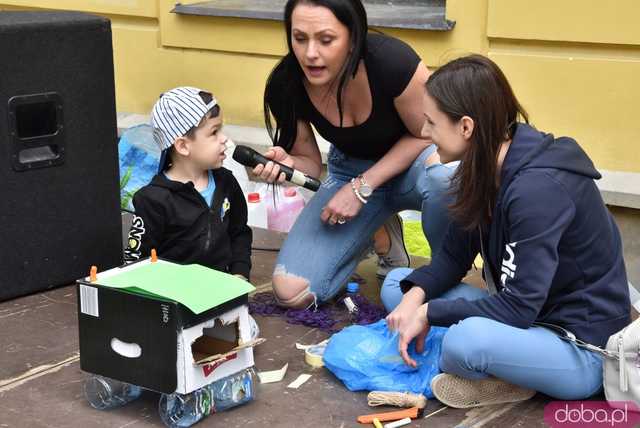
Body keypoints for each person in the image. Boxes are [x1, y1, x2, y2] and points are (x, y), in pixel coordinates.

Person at [384, 55, 631, 408]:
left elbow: (518, 307)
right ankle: (509, 373)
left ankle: (508, 372)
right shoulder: (483, 165)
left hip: (578, 347)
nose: (424, 133)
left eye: (431, 123)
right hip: (528, 321)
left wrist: (430, 314)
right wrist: (415, 300)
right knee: (398, 287)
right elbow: (453, 257)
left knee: (462, 342)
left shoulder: (537, 191)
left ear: (466, 127)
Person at [253, 0, 456, 309]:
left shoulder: (393, 62)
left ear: (352, 37)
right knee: (292, 293)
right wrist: (289, 165)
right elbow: (310, 164)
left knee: (448, 179)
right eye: (300, 38)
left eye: (326, 39)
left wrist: (363, 186)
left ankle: (445, 276)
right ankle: (382, 232)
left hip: (414, 167)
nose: (310, 53)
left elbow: (430, 133)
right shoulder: (286, 83)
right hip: (349, 171)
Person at [124, 86, 252, 281]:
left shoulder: (226, 182)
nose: (225, 139)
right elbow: (136, 263)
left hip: (223, 290)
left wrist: (239, 273)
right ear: (183, 146)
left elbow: (239, 232)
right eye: (214, 132)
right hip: (174, 300)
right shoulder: (154, 200)